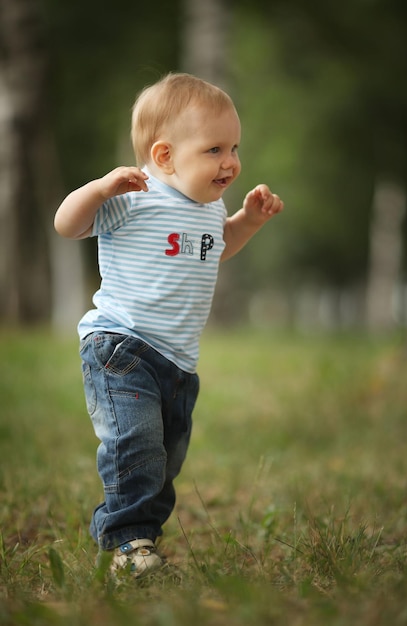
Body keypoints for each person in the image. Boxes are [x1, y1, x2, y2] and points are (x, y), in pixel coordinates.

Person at [54, 72, 284, 579]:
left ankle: (137, 537)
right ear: (164, 157)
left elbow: (216, 249)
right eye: (214, 149)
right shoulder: (133, 196)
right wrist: (97, 189)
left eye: (235, 147)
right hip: (122, 345)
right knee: (135, 446)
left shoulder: (209, 208)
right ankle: (129, 545)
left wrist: (248, 220)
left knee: (163, 460)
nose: (230, 162)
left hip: (178, 360)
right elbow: (67, 225)